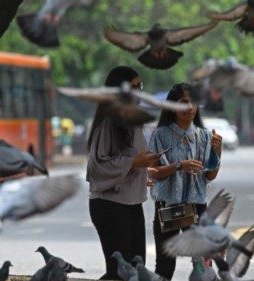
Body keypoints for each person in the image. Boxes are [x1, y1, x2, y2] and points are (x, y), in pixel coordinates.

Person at [86, 66, 160, 280]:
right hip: (110, 206)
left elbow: (131, 163)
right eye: (132, 87)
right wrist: (134, 163)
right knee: (119, 272)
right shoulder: (109, 121)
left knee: (137, 270)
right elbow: (97, 167)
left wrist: (144, 171)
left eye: (140, 87)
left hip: (132, 204)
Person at [148, 82, 222, 280]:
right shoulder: (159, 135)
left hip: (197, 207)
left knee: (203, 265)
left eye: (194, 102)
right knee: (164, 265)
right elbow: (154, 172)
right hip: (168, 207)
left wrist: (217, 151)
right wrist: (179, 166)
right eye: (183, 102)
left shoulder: (205, 136)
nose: (189, 108)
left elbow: (209, 175)